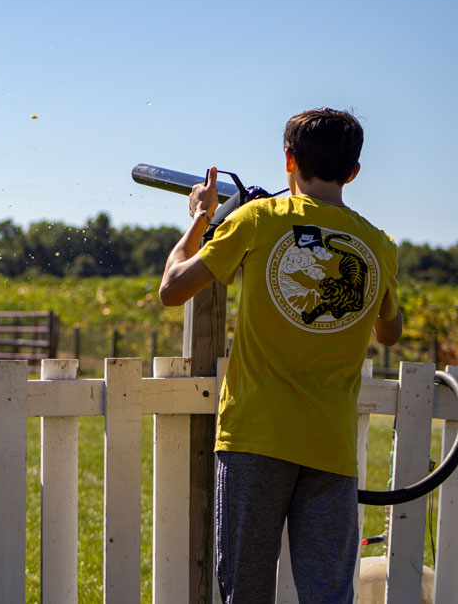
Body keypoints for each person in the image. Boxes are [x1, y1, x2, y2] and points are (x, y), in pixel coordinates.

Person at [158, 108, 402, 603]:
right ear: (354, 171)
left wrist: (202, 216)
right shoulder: (379, 245)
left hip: (256, 435)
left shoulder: (257, 220)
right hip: (330, 445)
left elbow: (172, 289)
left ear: (289, 160)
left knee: (246, 590)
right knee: (329, 594)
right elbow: (390, 333)